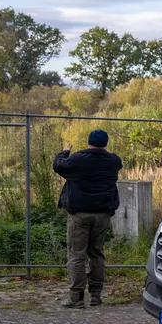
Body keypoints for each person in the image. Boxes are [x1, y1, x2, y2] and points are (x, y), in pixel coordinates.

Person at [53, 129, 123, 309]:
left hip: (80, 214)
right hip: (102, 215)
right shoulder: (114, 161)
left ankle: (76, 298)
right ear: (106, 143)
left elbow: (58, 166)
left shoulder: (78, 159)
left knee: (77, 255)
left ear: (89, 142)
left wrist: (64, 152)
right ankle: (95, 295)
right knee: (96, 254)